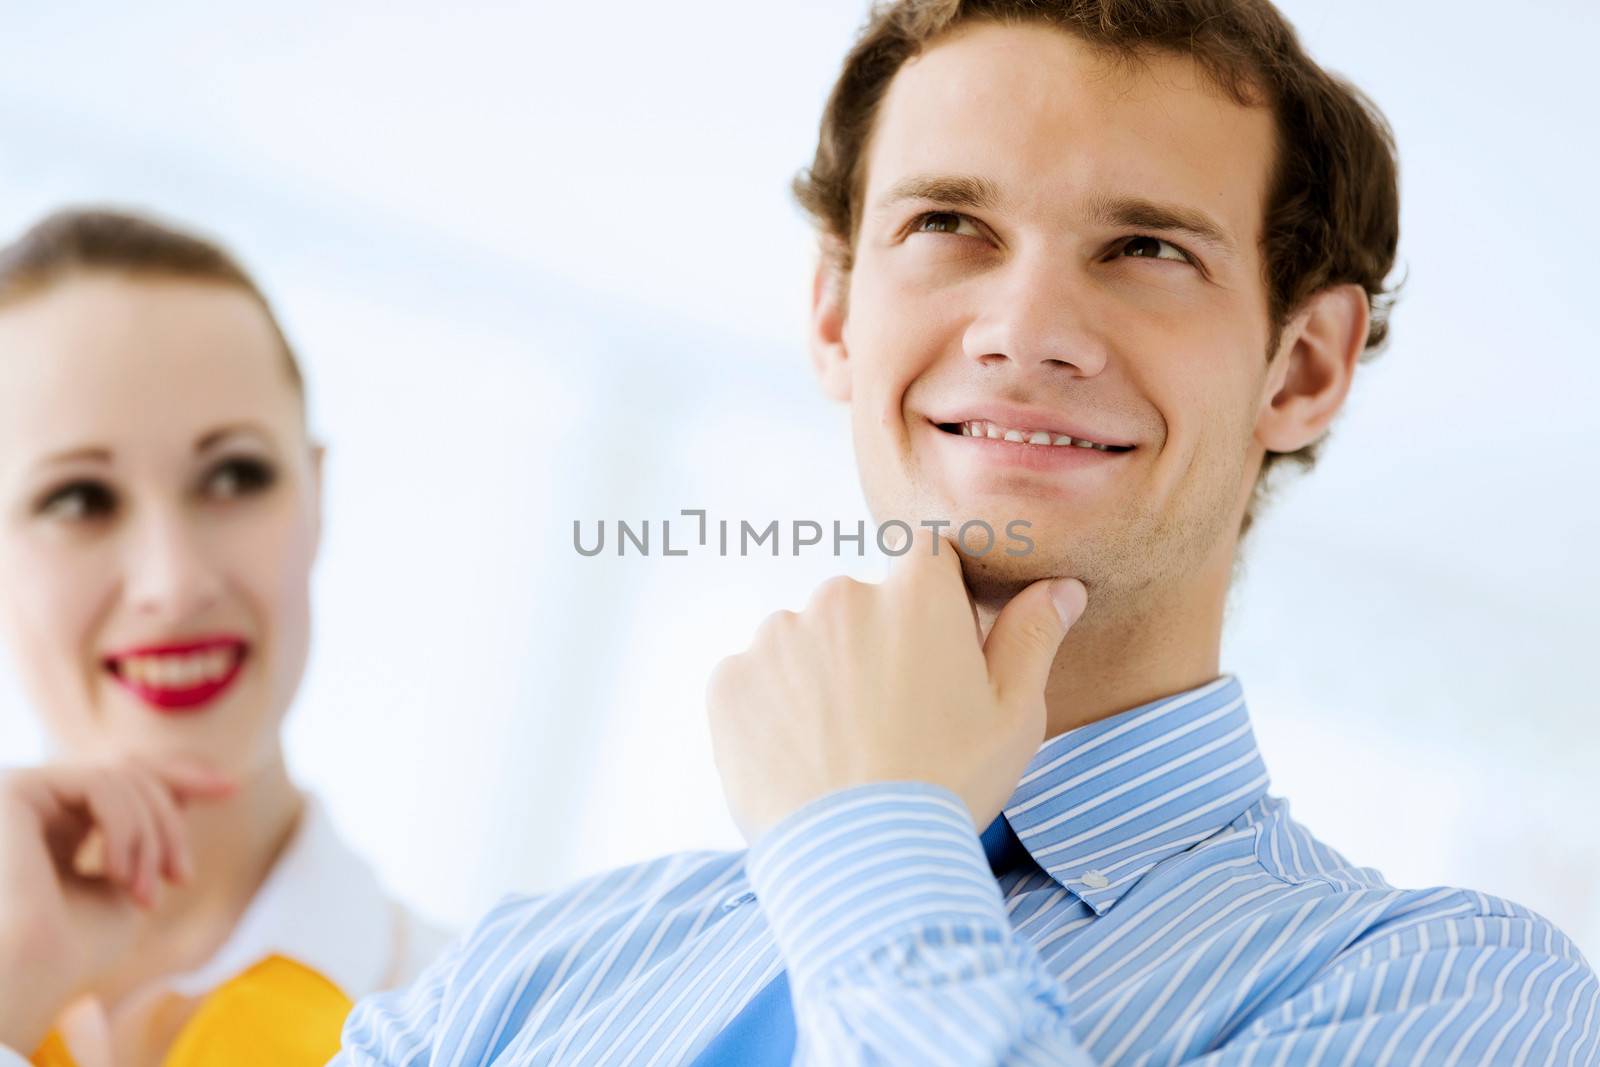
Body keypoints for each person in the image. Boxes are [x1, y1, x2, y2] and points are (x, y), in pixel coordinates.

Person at [334, 0, 1600, 1063]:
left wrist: (870, 842)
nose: (1023, 327)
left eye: (1145, 247)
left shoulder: (1468, 996)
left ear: (1302, 368)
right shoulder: (510, 983)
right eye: (948, 225)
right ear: (836, 317)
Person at [0, 208, 450, 1067]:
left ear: (316, 498)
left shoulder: (499, 1025)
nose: (174, 583)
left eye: (235, 475)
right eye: (79, 499)